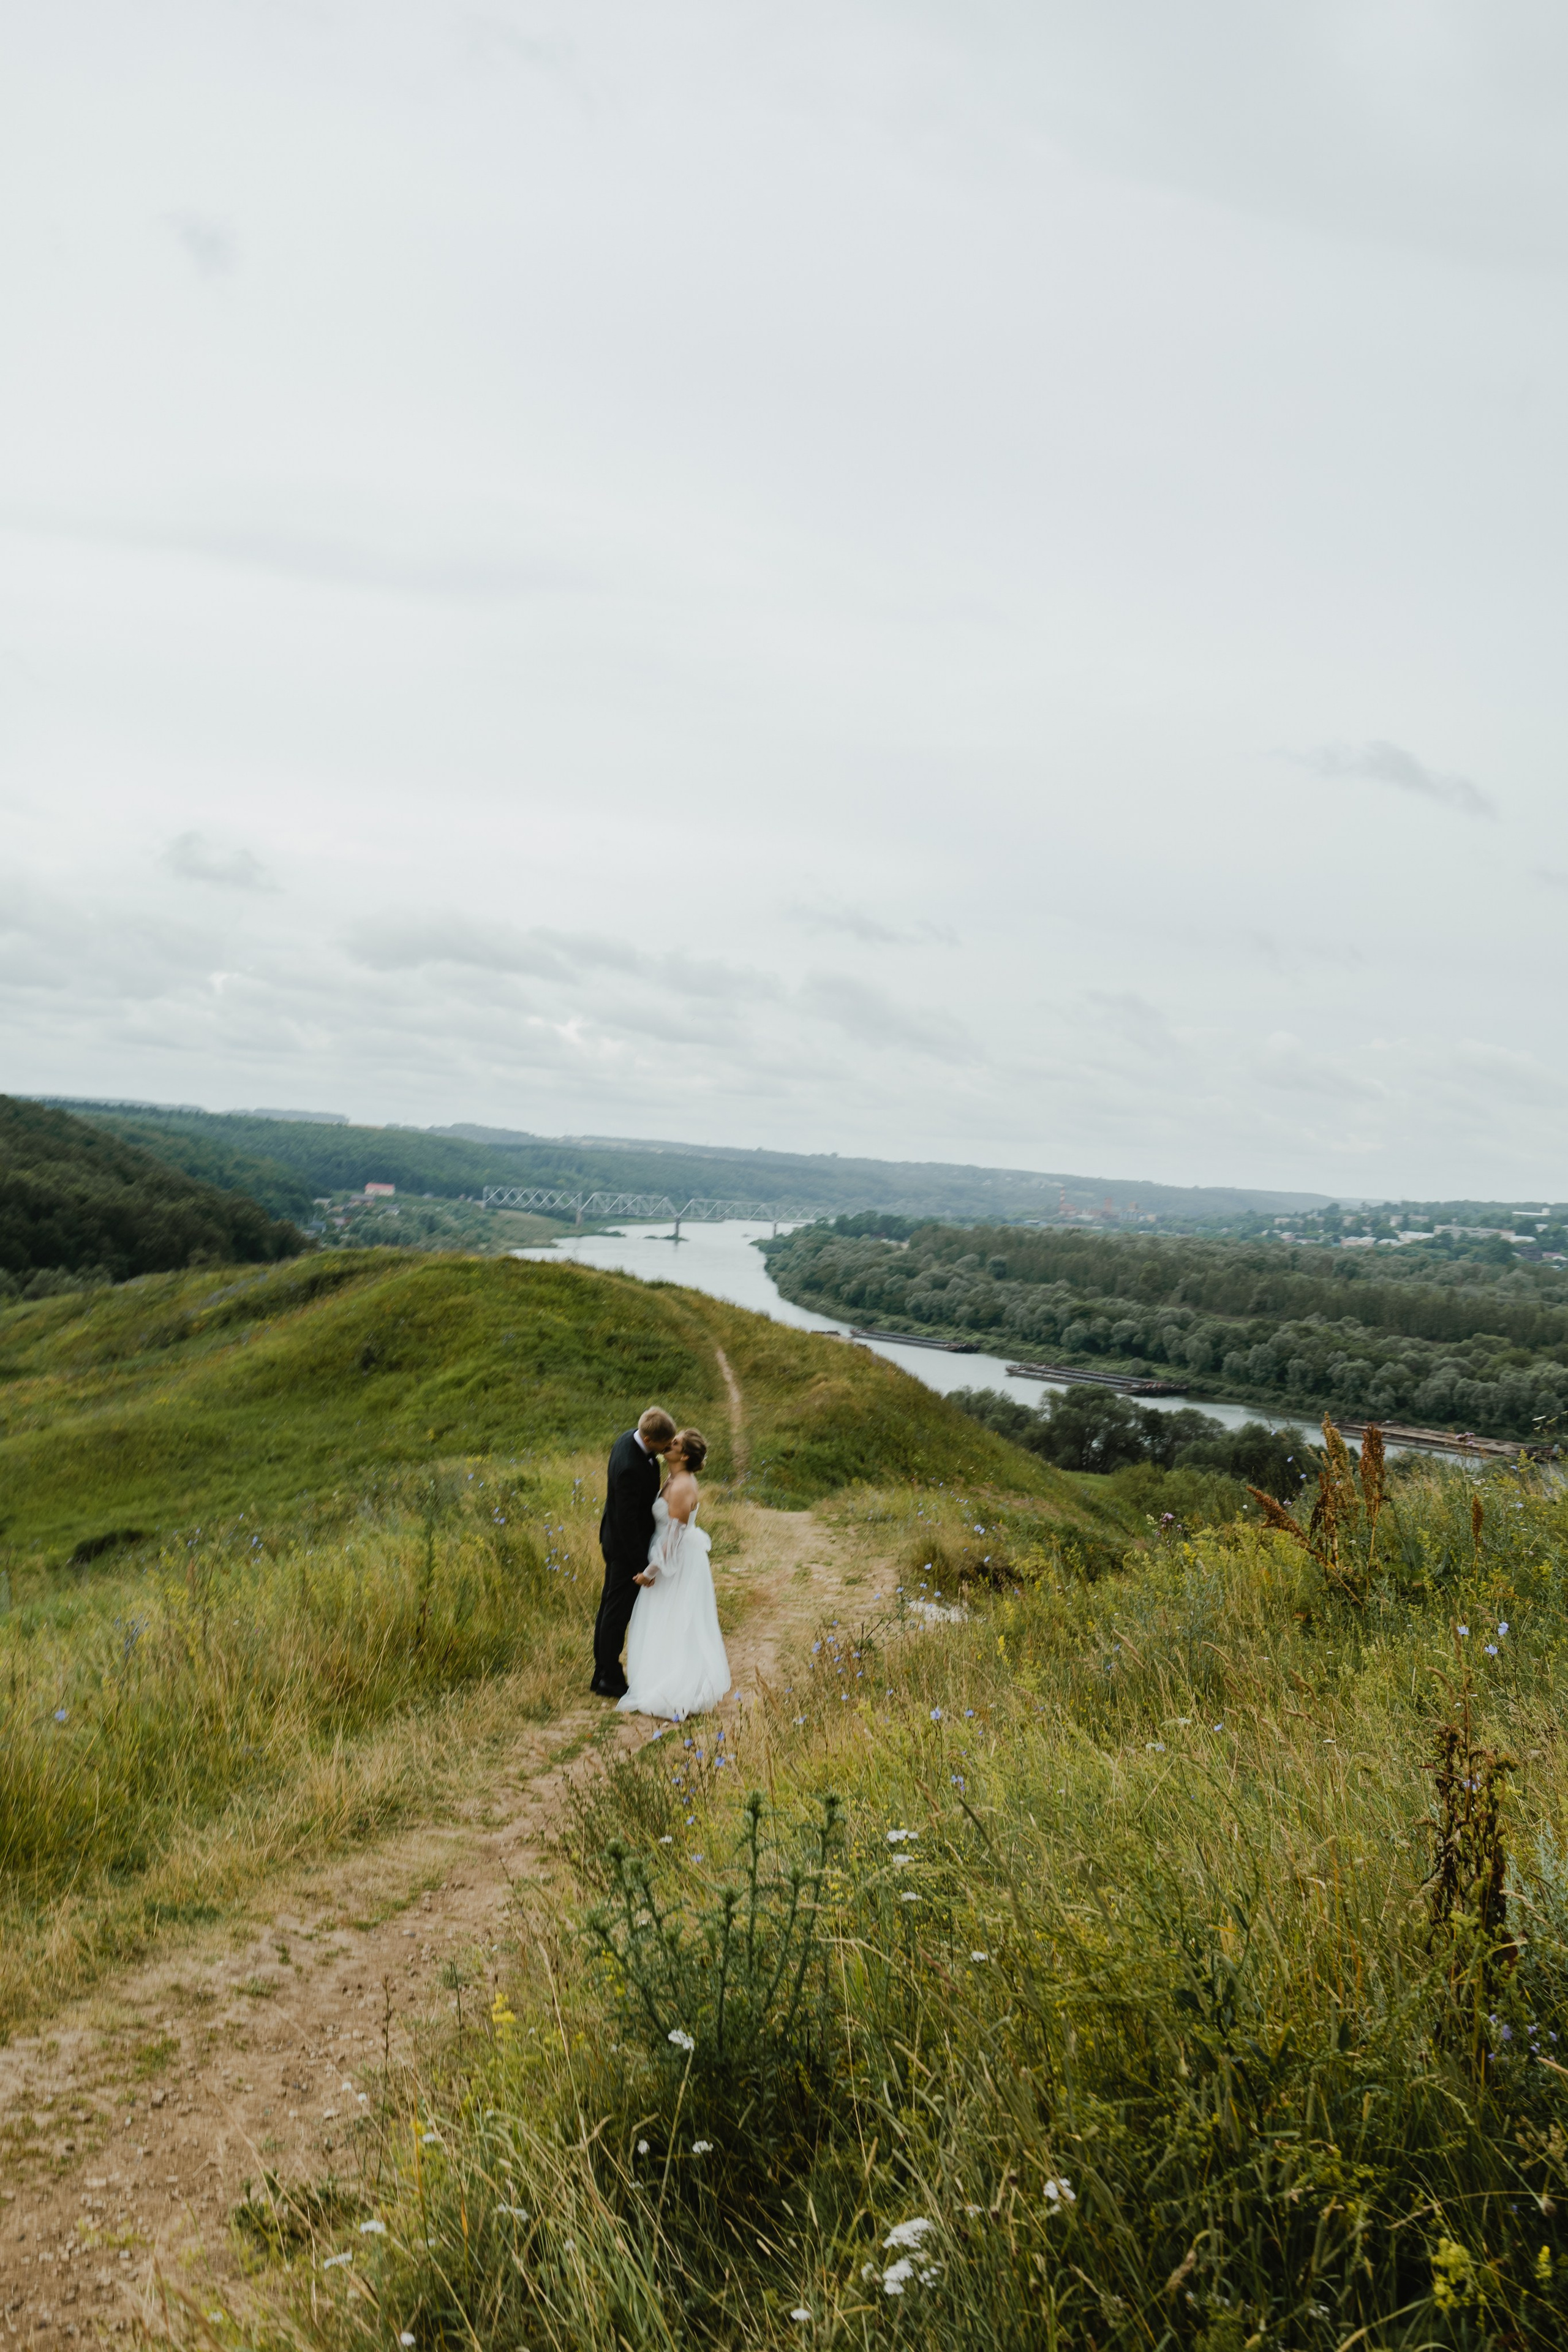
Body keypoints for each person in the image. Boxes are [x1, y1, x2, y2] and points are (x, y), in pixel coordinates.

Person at [617, 1427, 731, 1721]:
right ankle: (659, 1677)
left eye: (676, 1442)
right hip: (667, 1556)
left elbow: (673, 1542)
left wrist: (649, 1571)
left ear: (684, 1455)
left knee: (678, 1621)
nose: (669, 1443)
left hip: (676, 1563)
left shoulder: (682, 1487)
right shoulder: (672, 1477)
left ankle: (677, 1688)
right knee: (663, 1620)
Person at [591, 1405, 676, 1697]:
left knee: (609, 1606)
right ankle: (609, 1678)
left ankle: (601, 1673)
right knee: (616, 1613)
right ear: (650, 1441)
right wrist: (643, 1564)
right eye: (664, 1447)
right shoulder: (630, 1466)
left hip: (619, 1540)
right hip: (624, 1548)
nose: (666, 1452)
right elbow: (626, 1522)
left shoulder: (629, 1437)